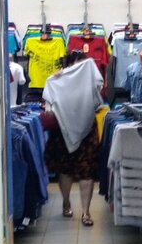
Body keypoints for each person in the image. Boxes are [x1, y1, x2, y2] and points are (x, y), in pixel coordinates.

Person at [42, 51, 104, 226]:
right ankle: (66, 202)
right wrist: (58, 79)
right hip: (63, 130)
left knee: (87, 170)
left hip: (87, 129)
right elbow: (48, 105)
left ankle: (86, 212)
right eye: (76, 66)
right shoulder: (56, 80)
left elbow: (98, 90)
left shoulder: (89, 75)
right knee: (65, 170)